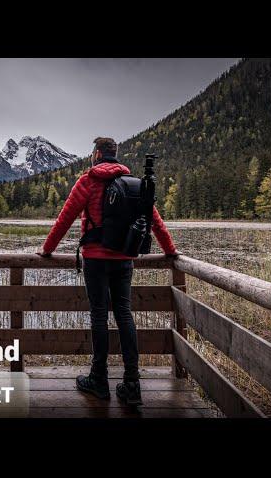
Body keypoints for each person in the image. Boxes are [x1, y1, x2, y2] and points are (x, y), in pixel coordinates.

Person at [36, 137, 179, 405]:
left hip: (95, 260)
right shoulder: (134, 184)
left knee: (99, 316)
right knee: (124, 314)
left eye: (92, 152)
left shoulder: (88, 181)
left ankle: (99, 380)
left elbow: (65, 218)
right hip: (124, 259)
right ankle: (132, 383)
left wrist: (47, 249)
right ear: (116, 155)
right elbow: (154, 220)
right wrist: (170, 250)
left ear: (98, 154)